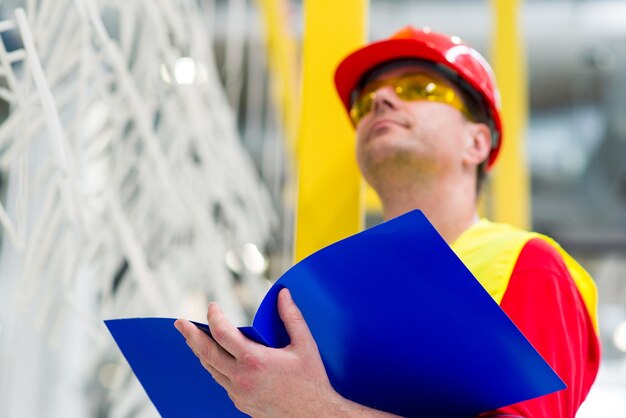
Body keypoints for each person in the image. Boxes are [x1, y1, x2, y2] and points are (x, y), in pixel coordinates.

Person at [175, 26, 600, 417]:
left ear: (476, 142)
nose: (379, 100)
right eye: (367, 101)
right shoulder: (331, 291)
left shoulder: (528, 266)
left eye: (419, 87)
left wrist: (315, 409)